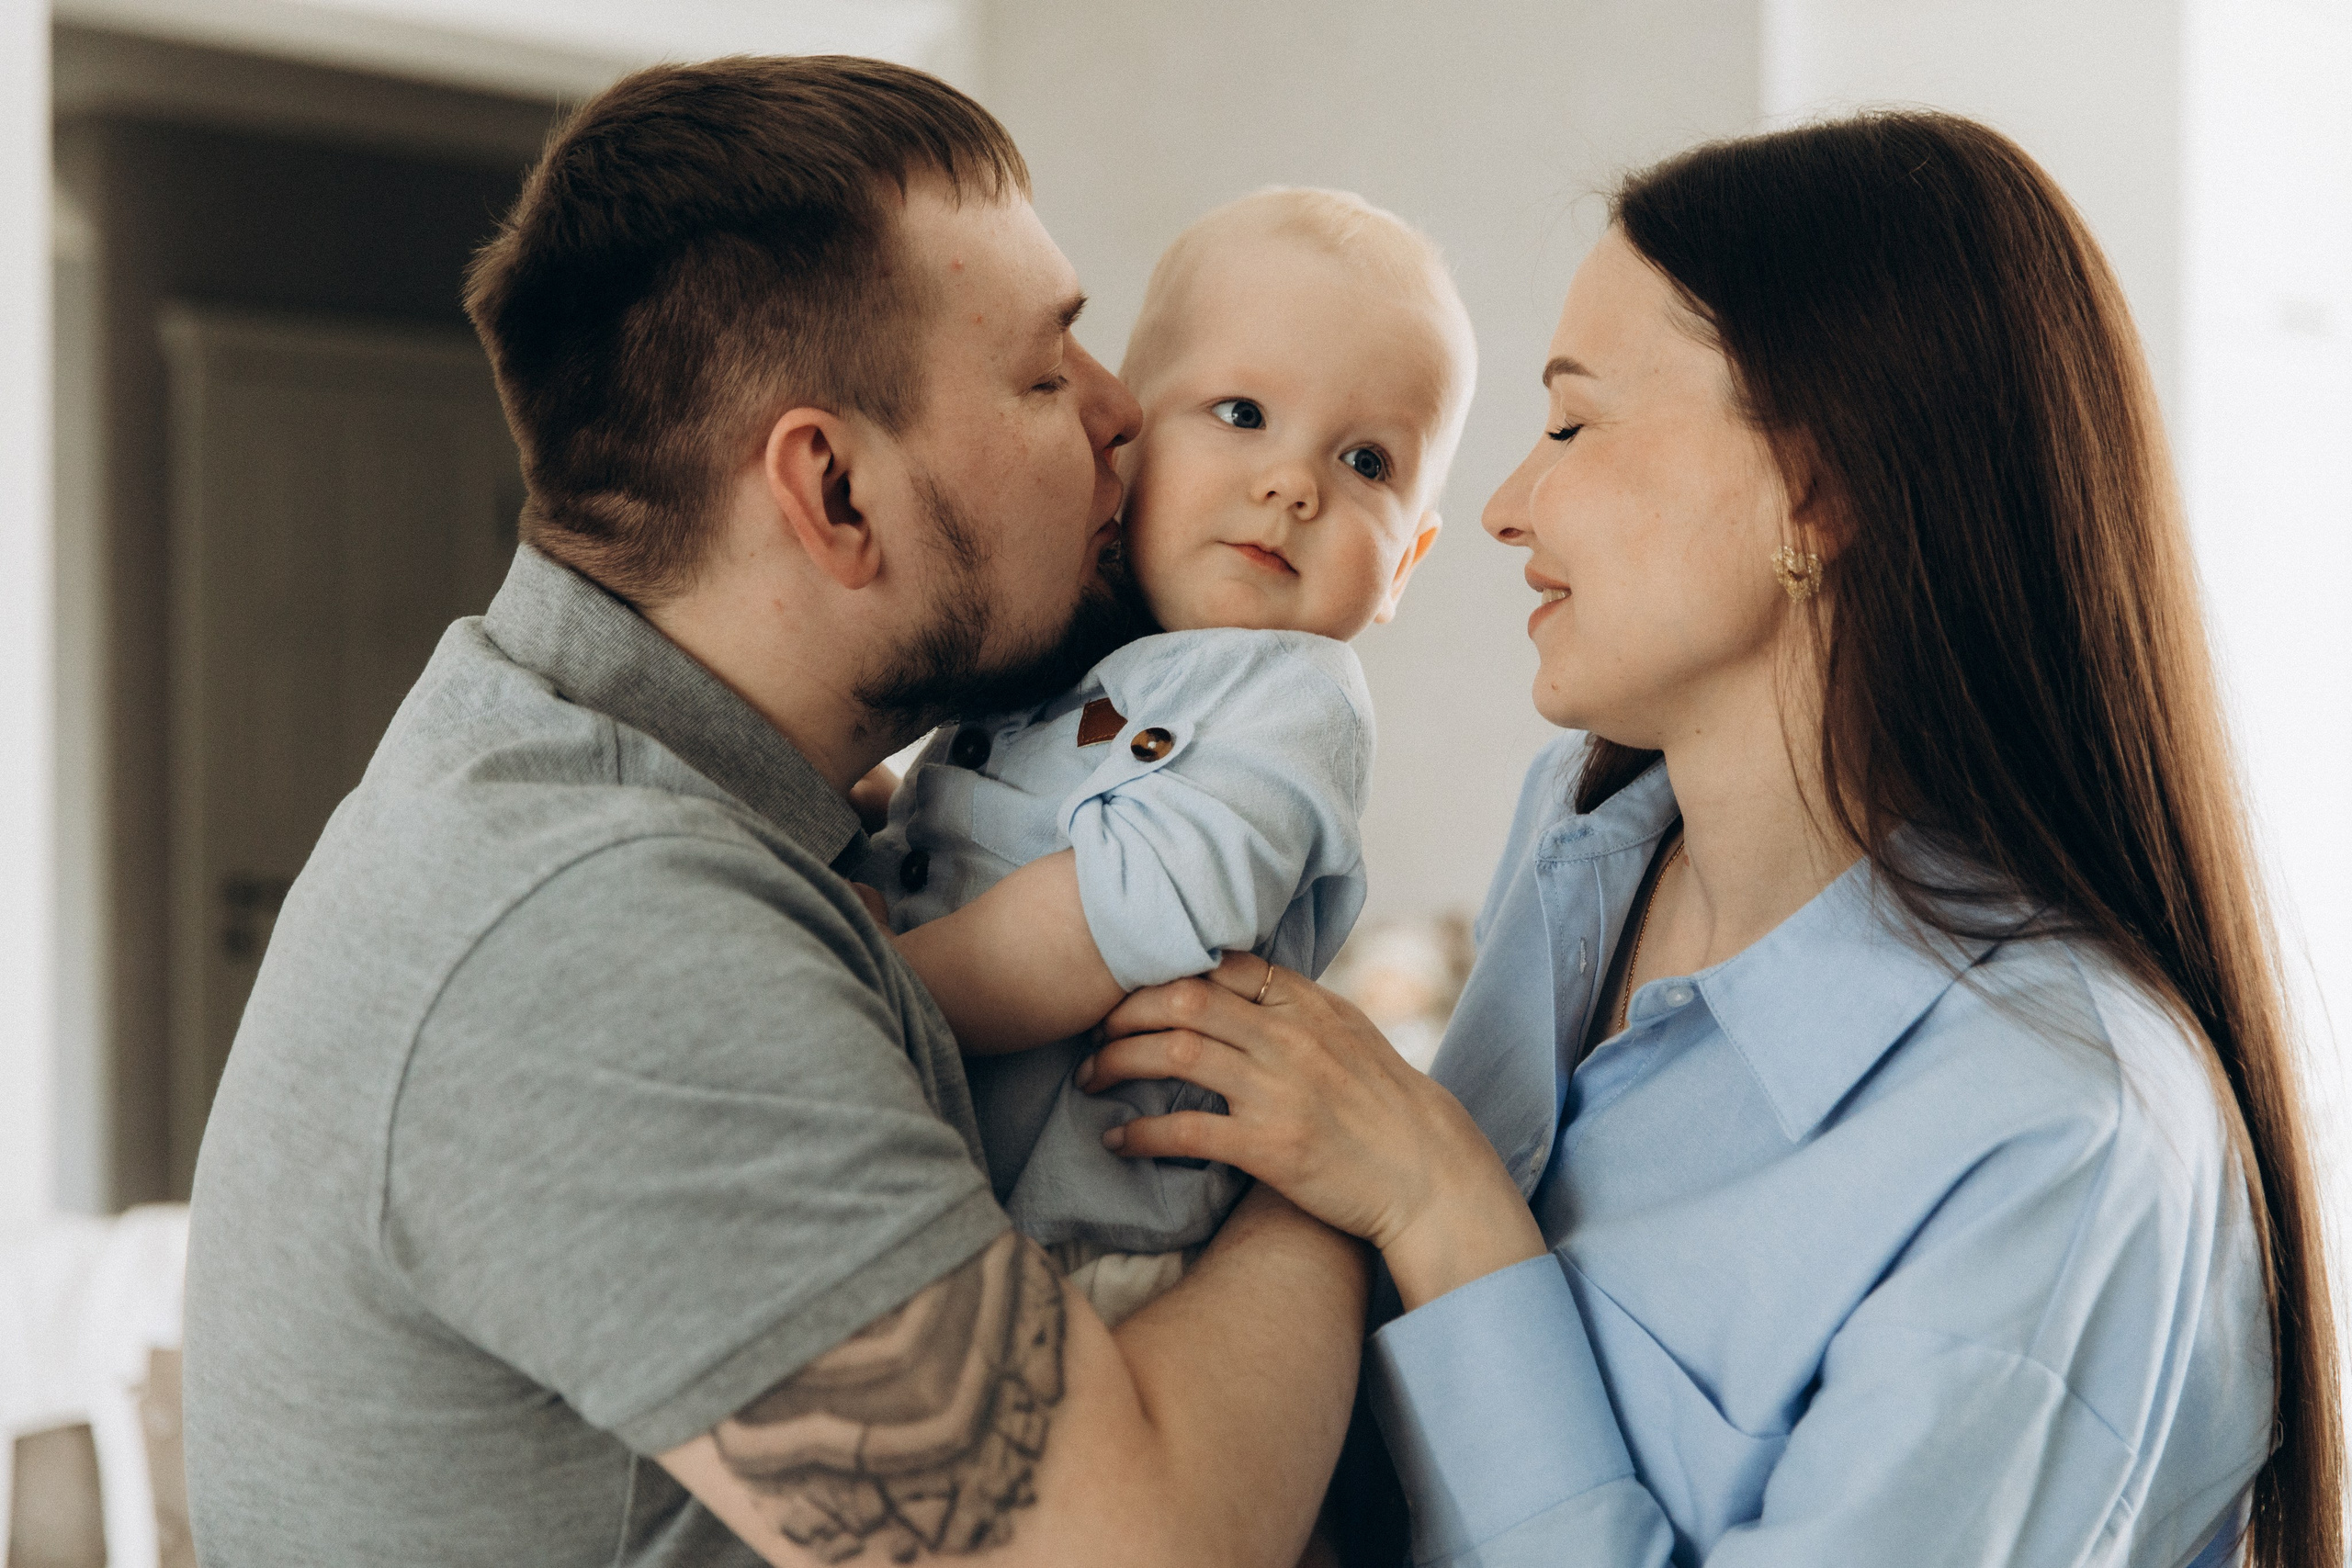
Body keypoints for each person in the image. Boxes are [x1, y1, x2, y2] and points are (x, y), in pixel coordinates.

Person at [1083, 112, 2345, 1566]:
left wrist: (1445, 1206)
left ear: (1816, 484)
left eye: (1571, 421)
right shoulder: (1581, 835)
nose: (1500, 505)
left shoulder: (2064, 1135)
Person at [180, 57, 1370, 1568]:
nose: (1126, 417)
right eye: (1044, 370)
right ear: (834, 493)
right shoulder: (601, 928)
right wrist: (1327, 1167)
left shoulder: (647, 801)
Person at [864, 188, 1474, 1325]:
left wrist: (866, 988)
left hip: (1098, 1252)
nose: (1294, 484)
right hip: (940, 1182)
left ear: (1406, 564)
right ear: (1126, 438)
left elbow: (1125, 906)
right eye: (1242, 412)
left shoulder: (1292, 694)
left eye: (1366, 461)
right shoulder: (1061, 640)